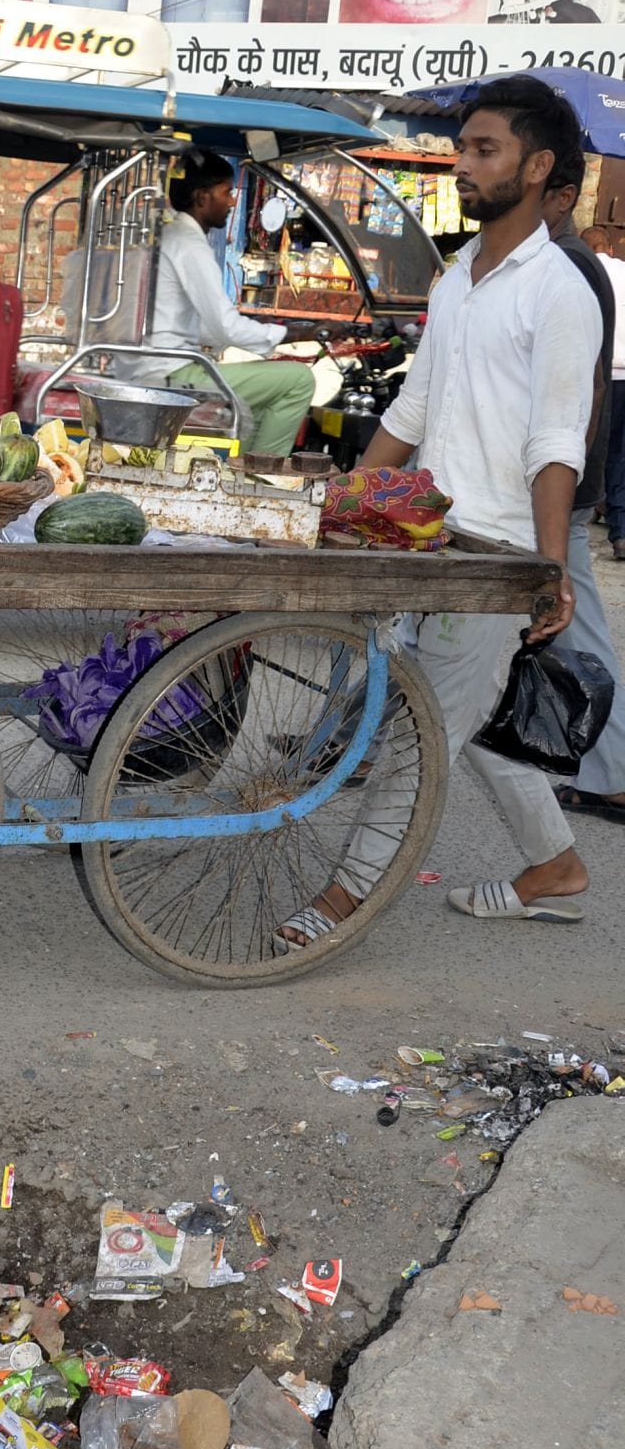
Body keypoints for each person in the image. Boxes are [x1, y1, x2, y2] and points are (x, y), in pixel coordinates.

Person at [278, 74, 601, 947]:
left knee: (418, 731)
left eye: (483, 150)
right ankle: (557, 866)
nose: (462, 164)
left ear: (537, 168)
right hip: (431, 535)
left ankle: (343, 901)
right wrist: (339, 502)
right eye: (462, 148)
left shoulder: (559, 290)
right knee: (475, 715)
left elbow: (556, 441)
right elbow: (412, 414)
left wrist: (546, 570)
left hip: (495, 557)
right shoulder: (461, 276)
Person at [105, 150, 316, 457]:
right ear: (202, 197)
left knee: (264, 391)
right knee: (297, 381)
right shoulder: (189, 245)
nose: (231, 202)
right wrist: (294, 334)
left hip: (155, 367)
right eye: (226, 193)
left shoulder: (171, 236)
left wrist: (269, 334)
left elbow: (206, 327)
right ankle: (260, 480)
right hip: (170, 373)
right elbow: (225, 326)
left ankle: (243, 474)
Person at [543, 169, 625, 822]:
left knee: (581, 630)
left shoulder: (574, 266)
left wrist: (569, 486)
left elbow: (588, 392)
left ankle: (615, 772)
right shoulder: (547, 261)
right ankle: (351, 743)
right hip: (536, 479)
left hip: (553, 484)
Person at [582, 224, 625, 561]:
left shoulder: (584, 273)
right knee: (621, 456)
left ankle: (585, 511)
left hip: (600, 377)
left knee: (594, 447)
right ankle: (621, 531)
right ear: (609, 247)